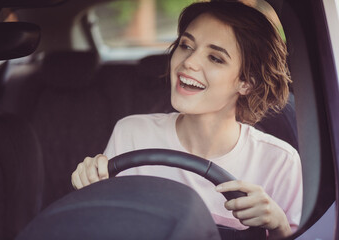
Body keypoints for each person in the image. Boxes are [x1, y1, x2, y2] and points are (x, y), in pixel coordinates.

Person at [71, 1, 302, 239]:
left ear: (247, 82)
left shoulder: (280, 162)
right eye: (186, 45)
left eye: (215, 58)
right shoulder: (131, 132)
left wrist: (278, 226)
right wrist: (90, 187)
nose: (188, 62)